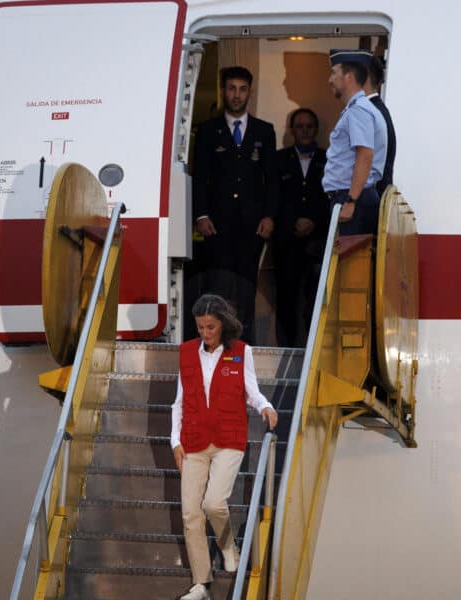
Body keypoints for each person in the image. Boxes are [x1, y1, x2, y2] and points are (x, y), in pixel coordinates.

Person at [171, 294, 279, 600]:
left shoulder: (242, 352)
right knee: (191, 513)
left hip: (229, 439)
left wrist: (266, 408)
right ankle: (200, 584)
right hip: (193, 440)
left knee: (213, 503)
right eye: (200, 327)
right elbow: (178, 403)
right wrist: (175, 441)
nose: (205, 333)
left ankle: (229, 545)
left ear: (223, 325)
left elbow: (252, 392)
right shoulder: (187, 352)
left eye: (210, 327)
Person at [192, 66, 280, 344]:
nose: (237, 95)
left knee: (246, 286)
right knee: (218, 285)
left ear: (249, 93)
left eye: (242, 89)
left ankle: (245, 343)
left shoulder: (264, 131)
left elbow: (273, 180)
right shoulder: (207, 131)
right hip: (217, 224)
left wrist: (270, 216)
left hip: (252, 224)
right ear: (223, 91)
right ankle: (216, 342)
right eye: (232, 89)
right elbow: (199, 178)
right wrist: (201, 215)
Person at [275, 108, 329, 346]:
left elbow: (331, 198)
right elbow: (274, 198)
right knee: (286, 299)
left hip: (318, 242)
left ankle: (313, 349)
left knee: (315, 300)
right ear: (292, 130)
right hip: (286, 241)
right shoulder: (279, 159)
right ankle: (286, 349)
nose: (305, 131)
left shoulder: (329, 159)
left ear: (316, 130)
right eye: (300, 126)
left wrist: (313, 222)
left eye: (310, 126)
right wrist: (293, 222)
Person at [321, 49, 388, 235]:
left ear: (348, 76)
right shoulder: (359, 108)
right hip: (352, 197)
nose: (330, 79)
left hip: (352, 199)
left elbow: (365, 154)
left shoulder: (359, 110)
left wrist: (351, 201)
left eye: (334, 72)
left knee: (349, 262)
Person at [364, 56, 396, 196]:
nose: (332, 80)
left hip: (362, 202)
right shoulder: (374, 109)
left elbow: (363, 161)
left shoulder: (367, 113)